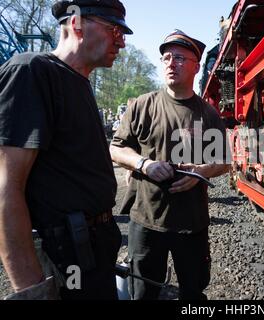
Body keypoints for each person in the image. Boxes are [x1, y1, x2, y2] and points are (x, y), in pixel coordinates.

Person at [0, 0, 132, 300]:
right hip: (64, 253)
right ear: (76, 23)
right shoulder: (31, 73)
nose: (121, 42)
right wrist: (32, 291)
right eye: (114, 29)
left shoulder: (79, 82)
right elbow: (6, 188)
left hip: (92, 246)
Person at [110, 29, 230, 300]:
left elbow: (225, 161)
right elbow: (116, 148)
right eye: (166, 57)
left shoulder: (207, 113)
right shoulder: (143, 105)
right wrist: (143, 164)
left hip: (192, 222)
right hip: (147, 220)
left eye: (179, 57)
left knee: (193, 291)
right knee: (143, 292)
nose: (170, 63)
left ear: (196, 66)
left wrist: (202, 171)